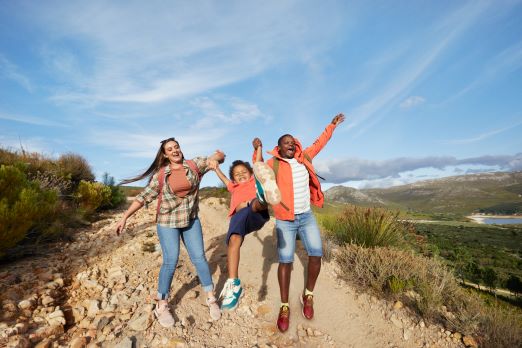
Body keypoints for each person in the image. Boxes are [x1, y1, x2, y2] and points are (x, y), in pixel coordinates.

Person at [115, 137, 225, 327]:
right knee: (170, 260)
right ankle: (162, 304)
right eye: (170, 149)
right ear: (165, 154)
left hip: (190, 220)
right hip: (167, 222)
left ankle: (211, 298)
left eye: (177, 147)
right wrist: (125, 217)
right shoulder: (161, 175)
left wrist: (217, 157)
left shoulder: (194, 165)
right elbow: (143, 197)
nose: (175, 150)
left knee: (199, 257)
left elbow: (217, 156)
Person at [260, 113, 345, 332]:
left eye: (292, 142)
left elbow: (320, 142)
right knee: (285, 261)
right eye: (285, 143)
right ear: (279, 148)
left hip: (306, 217)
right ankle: (285, 306)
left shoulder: (305, 157)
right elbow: (259, 175)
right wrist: (256, 151)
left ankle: (308, 295)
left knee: (316, 254)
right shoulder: (273, 164)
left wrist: (332, 125)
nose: (290, 144)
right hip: (285, 221)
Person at [212, 138, 280, 311]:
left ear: (250, 173)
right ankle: (234, 284)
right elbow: (224, 178)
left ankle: (263, 198)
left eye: (244, 172)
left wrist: (259, 148)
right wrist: (215, 167)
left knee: (254, 203)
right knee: (233, 241)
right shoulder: (233, 187)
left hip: (257, 212)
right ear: (233, 178)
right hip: (239, 216)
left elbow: (257, 163)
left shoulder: (252, 180)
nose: (241, 174)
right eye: (237, 174)